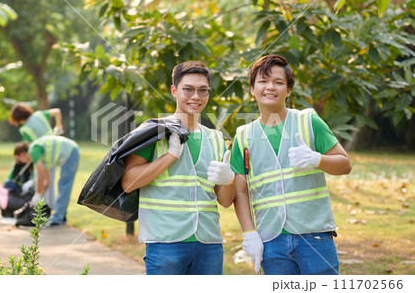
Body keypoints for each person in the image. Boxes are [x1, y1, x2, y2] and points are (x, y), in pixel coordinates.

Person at [231, 54, 352, 275]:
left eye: (278, 82)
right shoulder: (243, 135)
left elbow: (345, 164)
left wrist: (317, 159)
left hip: (314, 236)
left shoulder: (308, 121)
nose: (270, 87)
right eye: (263, 81)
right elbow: (240, 190)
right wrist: (249, 232)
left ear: (288, 90)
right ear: (252, 88)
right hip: (271, 240)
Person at [121, 61, 236, 275]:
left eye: (203, 91)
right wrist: (170, 156)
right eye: (188, 89)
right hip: (165, 243)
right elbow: (128, 182)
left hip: (208, 243)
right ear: (174, 91)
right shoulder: (154, 131)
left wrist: (228, 180)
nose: (196, 97)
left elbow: (226, 201)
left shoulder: (217, 139)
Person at [9, 103, 63, 210]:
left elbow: (28, 151)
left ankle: (47, 211)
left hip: (42, 156)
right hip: (55, 150)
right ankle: (52, 210)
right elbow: (57, 112)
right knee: (49, 183)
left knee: (43, 183)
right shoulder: (39, 114)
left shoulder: (25, 130)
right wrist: (58, 127)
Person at [16, 135, 80, 226]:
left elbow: (40, 174)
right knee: (63, 185)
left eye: (19, 159)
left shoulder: (33, 151)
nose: (21, 162)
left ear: (22, 154)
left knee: (64, 186)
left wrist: (37, 193)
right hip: (72, 151)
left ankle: (57, 219)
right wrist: (40, 195)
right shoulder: (40, 154)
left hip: (70, 152)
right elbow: (47, 181)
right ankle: (62, 216)